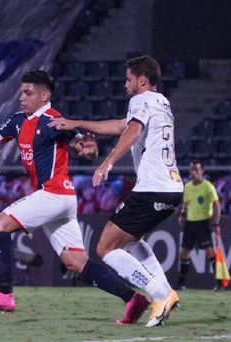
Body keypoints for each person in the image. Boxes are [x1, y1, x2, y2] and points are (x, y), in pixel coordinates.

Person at [0, 70, 146, 324]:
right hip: (59, 198)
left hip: (55, 193)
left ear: (44, 95)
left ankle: (4, 294)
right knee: (75, 262)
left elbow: (86, 151)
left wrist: (90, 150)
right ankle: (133, 300)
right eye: (21, 92)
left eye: (28, 93)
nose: (22, 97)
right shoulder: (17, 122)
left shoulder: (53, 120)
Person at [50, 55, 183, 327]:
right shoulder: (161, 102)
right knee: (130, 240)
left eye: (129, 79)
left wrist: (107, 162)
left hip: (153, 189)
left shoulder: (141, 100)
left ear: (141, 80)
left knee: (105, 247)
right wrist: (78, 123)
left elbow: (132, 131)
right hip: (171, 188)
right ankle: (165, 291)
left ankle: (159, 294)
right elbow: (122, 126)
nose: (126, 84)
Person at [175, 161, 222, 291]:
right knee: (184, 253)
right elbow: (185, 204)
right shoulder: (188, 187)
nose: (193, 173)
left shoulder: (208, 187)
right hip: (190, 223)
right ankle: (181, 283)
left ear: (202, 171)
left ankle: (220, 282)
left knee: (209, 252)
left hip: (203, 222)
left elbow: (217, 205)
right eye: (191, 170)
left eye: (196, 170)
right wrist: (182, 216)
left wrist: (216, 223)